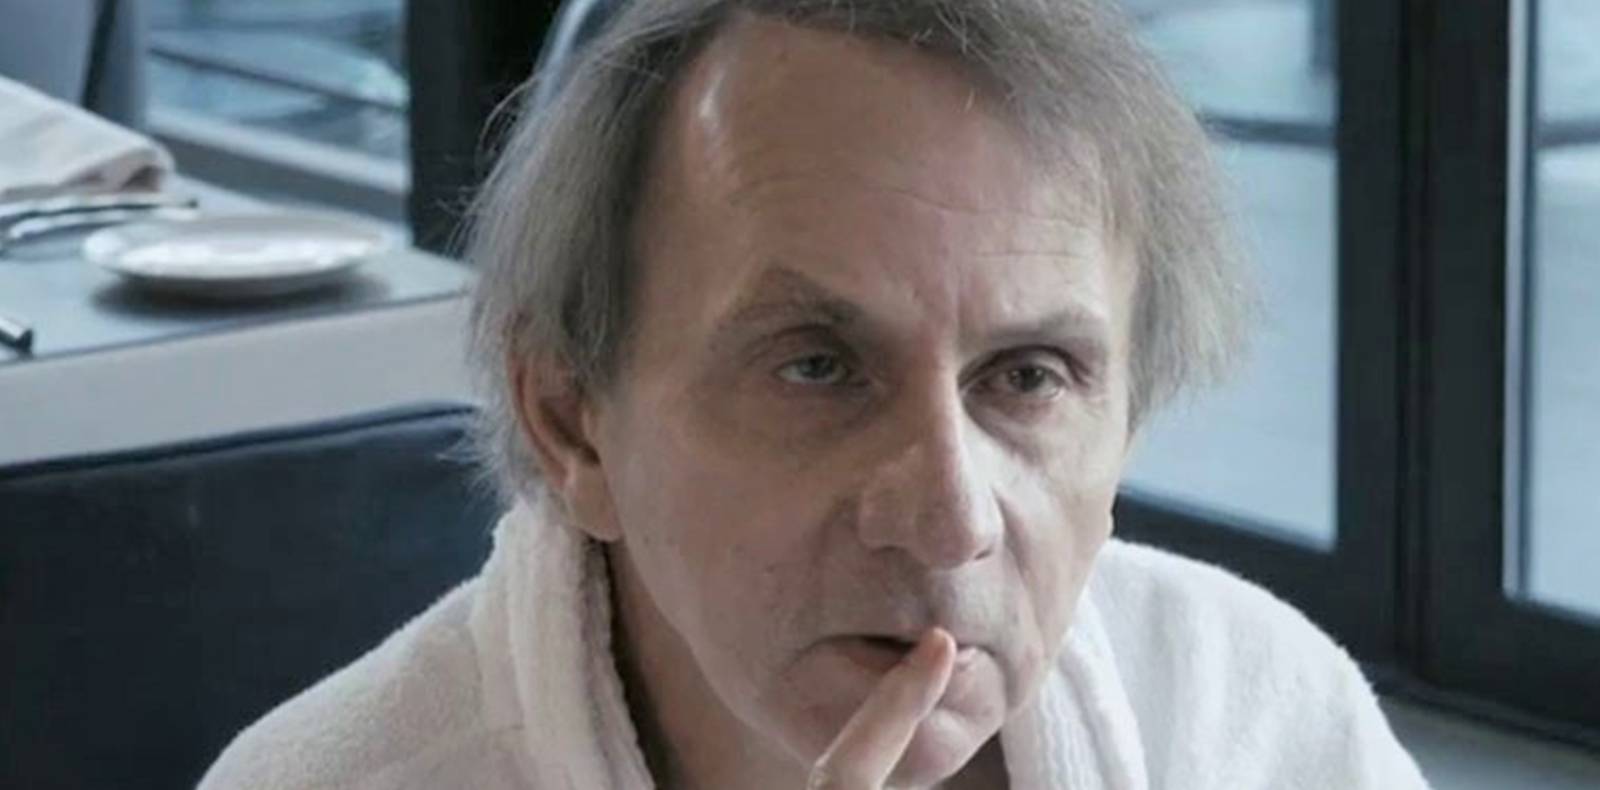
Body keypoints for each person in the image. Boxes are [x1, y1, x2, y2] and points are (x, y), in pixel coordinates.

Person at [201, 1, 1431, 787]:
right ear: (571, 422)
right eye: (816, 367)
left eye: (1027, 377)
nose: (949, 519)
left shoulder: (1256, 718)